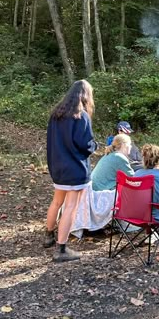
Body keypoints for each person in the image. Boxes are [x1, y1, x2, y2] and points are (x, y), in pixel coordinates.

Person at [44, 79, 97, 262]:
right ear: (85, 96)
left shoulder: (56, 114)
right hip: (75, 168)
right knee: (71, 206)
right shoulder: (80, 116)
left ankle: (48, 236)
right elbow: (85, 144)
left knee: (57, 201)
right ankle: (61, 249)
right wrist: (94, 145)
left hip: (57, 165)